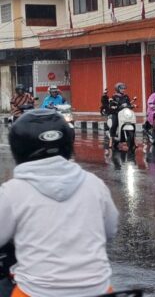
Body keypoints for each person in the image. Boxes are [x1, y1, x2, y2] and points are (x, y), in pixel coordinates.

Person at [0, 109, 119, 296]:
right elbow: (110, 231)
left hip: (36, 292)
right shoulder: (94, 184)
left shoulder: (11, 192)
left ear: (18, 148)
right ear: (67, 144)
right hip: (98, 291)